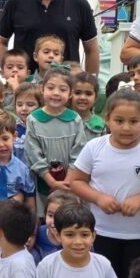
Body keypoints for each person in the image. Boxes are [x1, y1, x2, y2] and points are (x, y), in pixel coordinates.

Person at [69, 89, 140, 278]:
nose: (126, 127)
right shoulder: (95, 147)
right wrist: (99, 198)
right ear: (107, 119)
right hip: (103, 232)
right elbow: (75, 181)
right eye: (119, 120)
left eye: (133, 121)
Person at [25, 68, 86, 213]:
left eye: (62, 89)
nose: (56, 93)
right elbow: (33, 153)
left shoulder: (75, 119)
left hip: (69, 182)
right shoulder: (34, 119)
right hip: (43, 180)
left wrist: (67, 181)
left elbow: (79, 151)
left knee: (67, 213)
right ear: (42, 89)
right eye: (51, 88)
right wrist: (51, 181)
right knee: (46, 215)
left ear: (70, 94)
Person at [71, 71, 104, 141]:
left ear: (95, 98)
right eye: (77, 93)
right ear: (70, 94)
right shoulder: (64, 121)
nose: (82, 97)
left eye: (88, 94)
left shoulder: (101, 125)